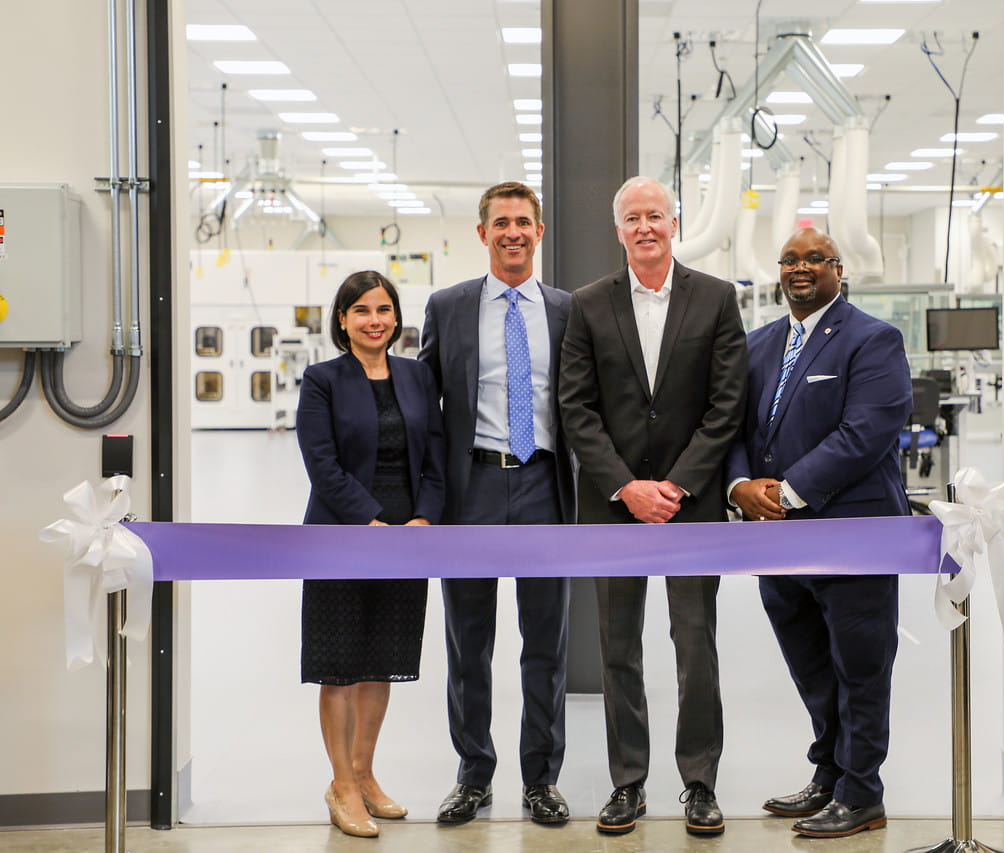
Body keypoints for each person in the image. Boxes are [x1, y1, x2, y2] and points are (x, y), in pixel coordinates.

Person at [558, 176, 748, 837]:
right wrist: (625, 486)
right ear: (618, 230)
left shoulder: (716, 300)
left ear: (675, 223)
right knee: (617, 648)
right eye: (632, 217)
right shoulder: (586, 305)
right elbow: (575, 407)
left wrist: (677, 484)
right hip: (613, 506)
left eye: (655, 216)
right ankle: (627, 783)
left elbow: (728, 404)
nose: (644, 226)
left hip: (688, 507)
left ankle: (699, 783)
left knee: (694, 642)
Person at [725, 227, 912, 839]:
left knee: (860, 669)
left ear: (839, 270)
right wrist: (740, 486)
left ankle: (863, 794)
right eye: (791, 260)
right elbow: (732, 430)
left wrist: (787, 491)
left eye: (815, 259)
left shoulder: (873, 339)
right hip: (778, 545)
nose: (801, 269)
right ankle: (830, 775)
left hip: (853, 537)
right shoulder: (758, 345)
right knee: (812, 668)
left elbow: (868, 431)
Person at [418, 182, 574, 825]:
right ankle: (473, 774)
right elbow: (425, 407)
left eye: (524, 222)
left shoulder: (569, 310)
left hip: (544, 483)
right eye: (500, 222)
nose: (513, 232)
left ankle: (541, 777)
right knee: (468, 640)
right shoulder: (448, 306)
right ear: (482, 234)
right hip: (473, 487)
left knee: (546, 641)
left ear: (540, 232)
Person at [296, 270, 446, 839]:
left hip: (406, 537)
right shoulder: (322, 380)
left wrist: (422, 518)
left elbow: (435, 454)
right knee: (339, 667)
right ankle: (340, 785)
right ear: (342, 320)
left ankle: (363, 772)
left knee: (380, 661)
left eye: (383, 310)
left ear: (395, 317)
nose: (374, 320)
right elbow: (321, 464)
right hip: (341, 535)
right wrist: (370, 519)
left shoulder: (416, 376)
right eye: (361, 311)